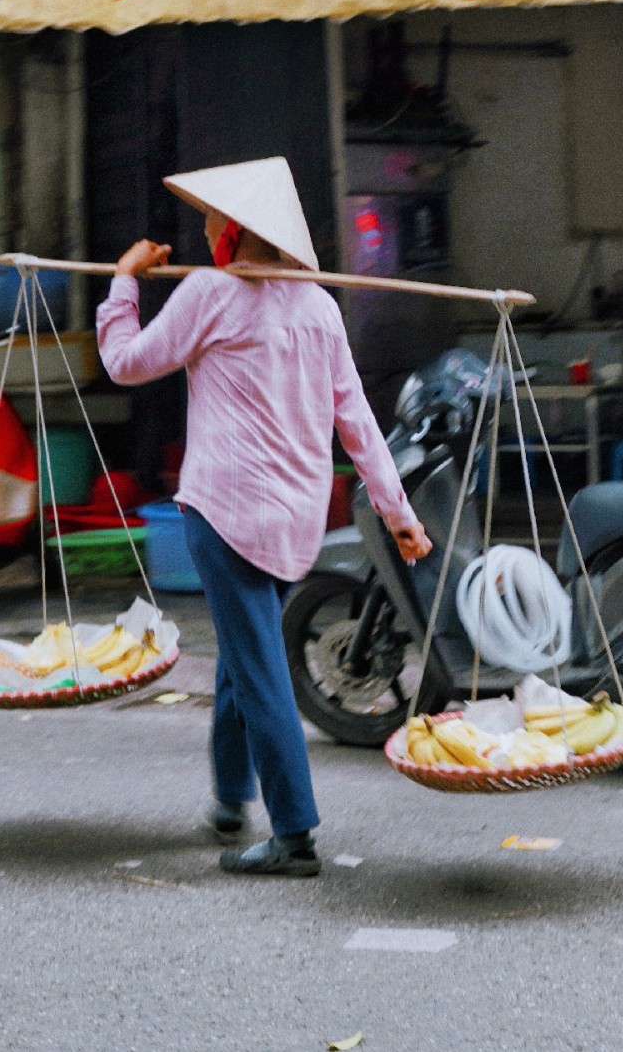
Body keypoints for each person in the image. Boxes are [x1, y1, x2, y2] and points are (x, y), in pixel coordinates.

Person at [97, 156, 431, 878]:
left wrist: (123, 279)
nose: (207, 228)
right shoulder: (318, 306)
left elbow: (125, 361)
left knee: (257, 668)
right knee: (243, 657)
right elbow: (358, 421)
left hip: (223, 512)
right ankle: (227, 797)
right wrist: (395, 508)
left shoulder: (210, 291)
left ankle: (294, 833)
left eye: (214, 218)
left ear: (236, 230)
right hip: (293, 521)